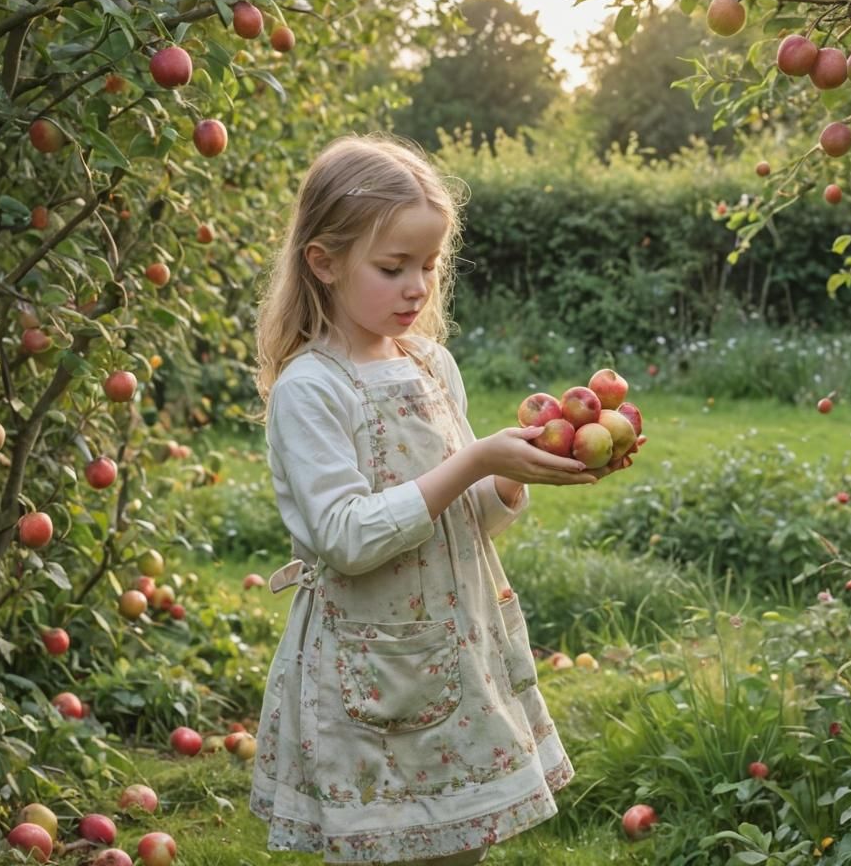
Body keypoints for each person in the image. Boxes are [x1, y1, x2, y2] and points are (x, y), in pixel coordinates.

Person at [249, 133, 638, 866]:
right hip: (372, 660)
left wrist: (515, 470)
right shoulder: (313, 389)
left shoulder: (430, 364)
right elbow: (346, 537)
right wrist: (472, 461)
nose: (417, 288)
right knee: (389, 846)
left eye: (428, 266)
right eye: (392, 268)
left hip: (453, 650)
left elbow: (467, 520)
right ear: (324, 263)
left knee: (460, 842)